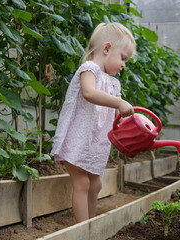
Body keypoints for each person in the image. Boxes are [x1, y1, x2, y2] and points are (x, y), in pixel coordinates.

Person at [50, 22, 137, 223]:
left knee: (95, 184)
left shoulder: (114, 83)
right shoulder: (89, 69)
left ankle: (90, 225)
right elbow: (89, 93)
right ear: (106, 49)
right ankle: (83, 230)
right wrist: (119, 102)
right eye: (123, 58)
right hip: (77, 139)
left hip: (95, 143)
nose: (124, 64)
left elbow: (119, 115)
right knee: (82, 183)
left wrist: (130, 121)